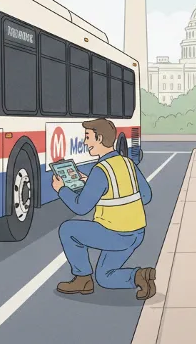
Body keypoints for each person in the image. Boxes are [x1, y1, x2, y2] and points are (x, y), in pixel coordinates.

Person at [53, 118, 157, 299]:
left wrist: (61, 189)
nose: (85, 142)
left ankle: (83, 279)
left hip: (115, 234)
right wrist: (96, 186)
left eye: (88, 137)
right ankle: (140, 276)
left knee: (68, 230)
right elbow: (146, 196)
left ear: (99, 138)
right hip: (137, 233)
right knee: (104, 277)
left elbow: (80, 207)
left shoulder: (101, 170)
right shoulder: (128, 163)